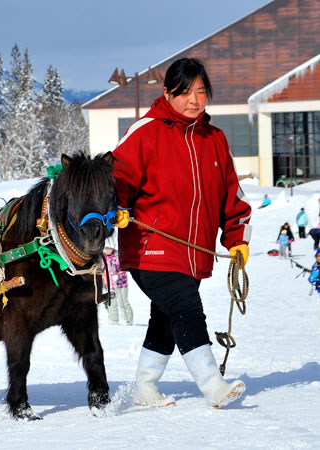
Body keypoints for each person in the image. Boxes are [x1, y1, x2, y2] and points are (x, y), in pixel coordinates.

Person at [112, 58, 251, 409]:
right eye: (184, 92)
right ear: (167, 93)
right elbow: (115, 178)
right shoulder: (146, 131)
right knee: (186, 308)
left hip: (194, 252)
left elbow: (231, 194)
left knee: (166, 315)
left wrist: (237, 240)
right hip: (150, 245)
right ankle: (212, 385)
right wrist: (118, 207)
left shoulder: (215, 139)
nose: (193, 100)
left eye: (201, 92)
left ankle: (144, 386)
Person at [101, 237, 133, 325]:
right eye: (106, 248)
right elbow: (103, 269)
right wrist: (104, 280)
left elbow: (122, 269)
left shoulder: (117, 257)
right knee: (112, 302)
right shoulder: (105, 258)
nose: (107, 250)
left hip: (121, 284)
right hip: (110, 284)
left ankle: (129, 319)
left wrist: (118, 276)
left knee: (123, 302)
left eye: (109, 248)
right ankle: (113, 320)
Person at [307, 249, 320, 331]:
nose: (319, 258)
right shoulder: (315, 266)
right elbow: (311, 280)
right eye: (318, 256)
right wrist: (313, 277)